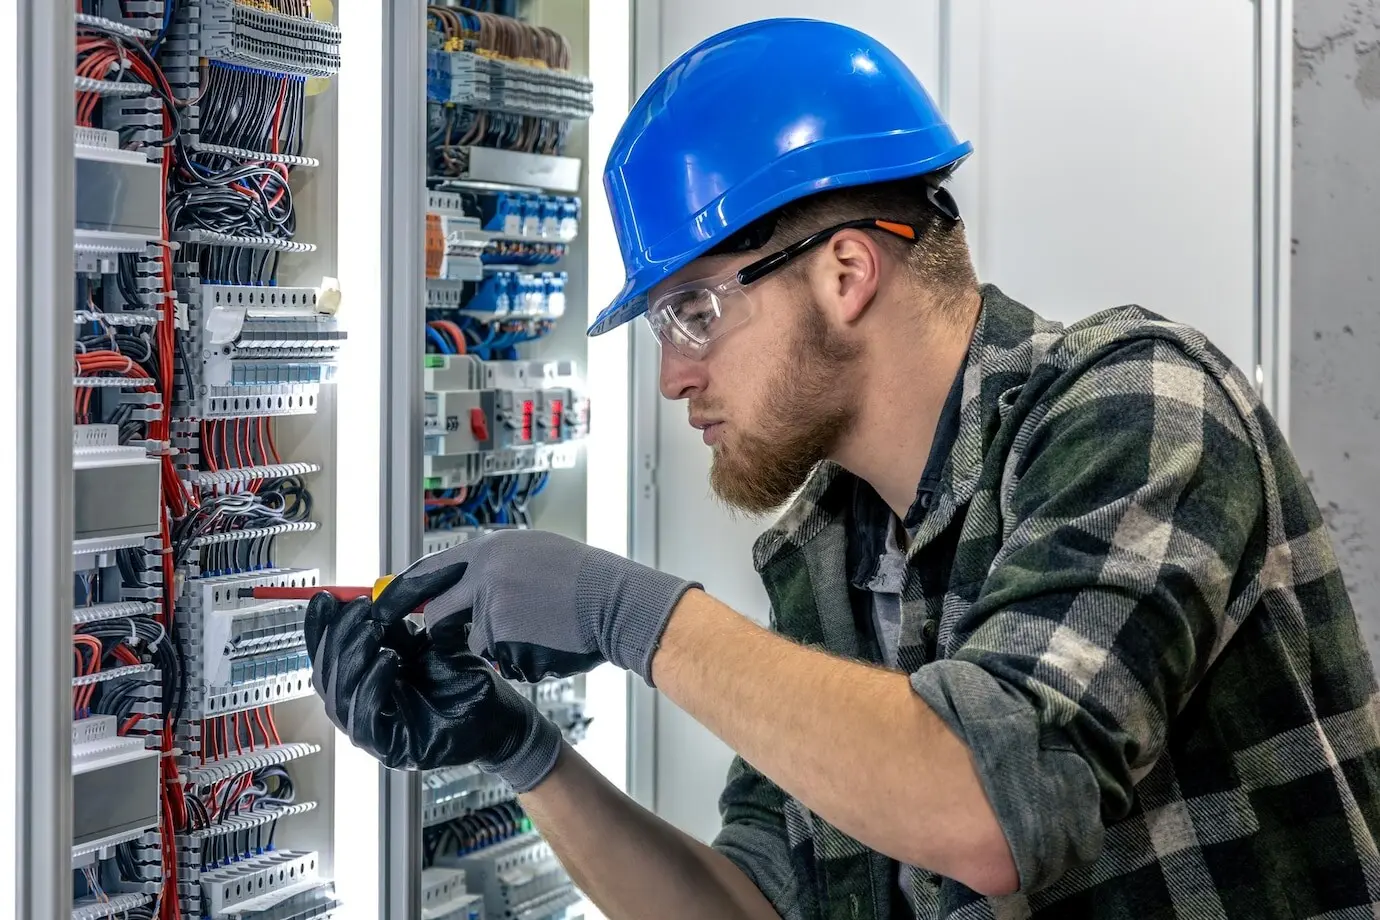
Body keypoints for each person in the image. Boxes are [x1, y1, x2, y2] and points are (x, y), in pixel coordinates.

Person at [306, 18, 1380, 919]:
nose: (675, 376)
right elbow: (751, 906)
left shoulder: (1141, 406)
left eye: (693, 311)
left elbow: (995, 807)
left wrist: (624, 612)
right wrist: (519, 745)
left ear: (848, 270)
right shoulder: (835, 553)